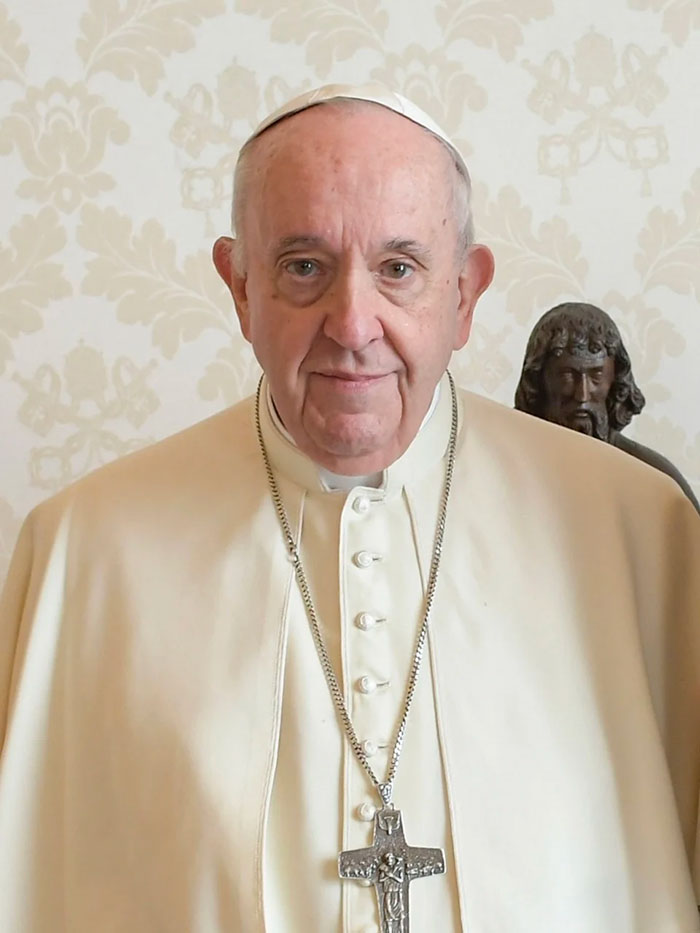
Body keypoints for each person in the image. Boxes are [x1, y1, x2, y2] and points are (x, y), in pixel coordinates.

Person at [0, 82, 699, 933]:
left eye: (399, 268)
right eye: (304, 267)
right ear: (239, 286)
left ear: (465, 294)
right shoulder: (86, 551)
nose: (353, 323)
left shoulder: (640, 531)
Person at [515, 301, 700, 512]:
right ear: (539, 379)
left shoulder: (654, 480)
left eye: (596, 376)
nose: (582, 395)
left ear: (615, 379)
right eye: (567, 376)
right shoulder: (499, 466)